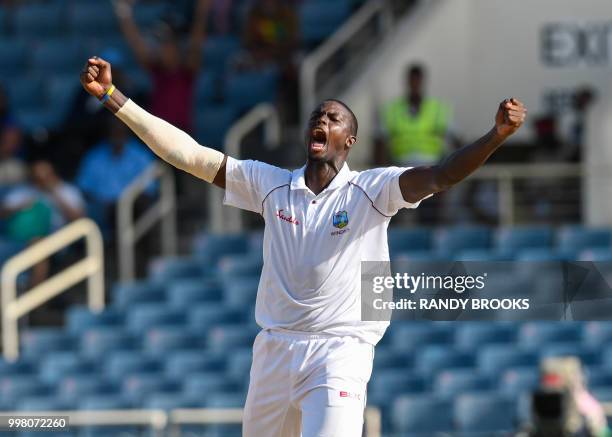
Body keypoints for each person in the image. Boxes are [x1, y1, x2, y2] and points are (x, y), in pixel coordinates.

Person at [80, 56, 527, 437]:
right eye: (318, 115)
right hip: (275, 349)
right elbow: (190, 155)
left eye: (334, 118)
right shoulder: (270, 184)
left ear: (349, 141)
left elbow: (442, 174)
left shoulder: (373, 189)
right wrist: (113, 98)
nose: (322, 120)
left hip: (340, 349)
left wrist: (495, 136)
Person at [375, 64, 457, 223]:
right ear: (407, 82)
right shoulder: (392, 109)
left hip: (430, 170)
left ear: (422, 81)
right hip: (400, 171)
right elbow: (380, 144)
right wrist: (382, 175)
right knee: (394, 217)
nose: (414, 84)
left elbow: (456, 142)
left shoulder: (438, 108)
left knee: (429, 218)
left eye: (417, 80)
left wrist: (448, 173)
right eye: (411, 80)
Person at [113, 0, 211, 133]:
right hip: (156, 132)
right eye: (161, 45)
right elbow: (135, 43)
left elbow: (196, 44)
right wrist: (124, 13)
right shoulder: (157, 70)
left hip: (182, 132)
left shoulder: (186, 71)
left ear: (176, 48)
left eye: (167, 44)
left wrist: (202, 12)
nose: (162, 49)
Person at [1, 160, 84, 285]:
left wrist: (55, 194)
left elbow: (80, 220)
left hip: (54, 238)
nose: (42, 180)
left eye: (46, 175)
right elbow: (2, 212)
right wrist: (19, 207)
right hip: (17, 238)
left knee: (37, 243)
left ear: (54, 174)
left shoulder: (67, 191)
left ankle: (32, 298)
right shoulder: (25, 191)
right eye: (37, 177)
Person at [76, 117, 154, 232]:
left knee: (137, 207)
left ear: (128, 130)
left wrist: (123, 202)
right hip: (102, 206)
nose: (117, 131)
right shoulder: (94, 156)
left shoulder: (141, 155)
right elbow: (84, 188)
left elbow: (150, 188)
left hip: (132, 206)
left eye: (120, 129)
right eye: (113, 129)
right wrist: (102, 202)